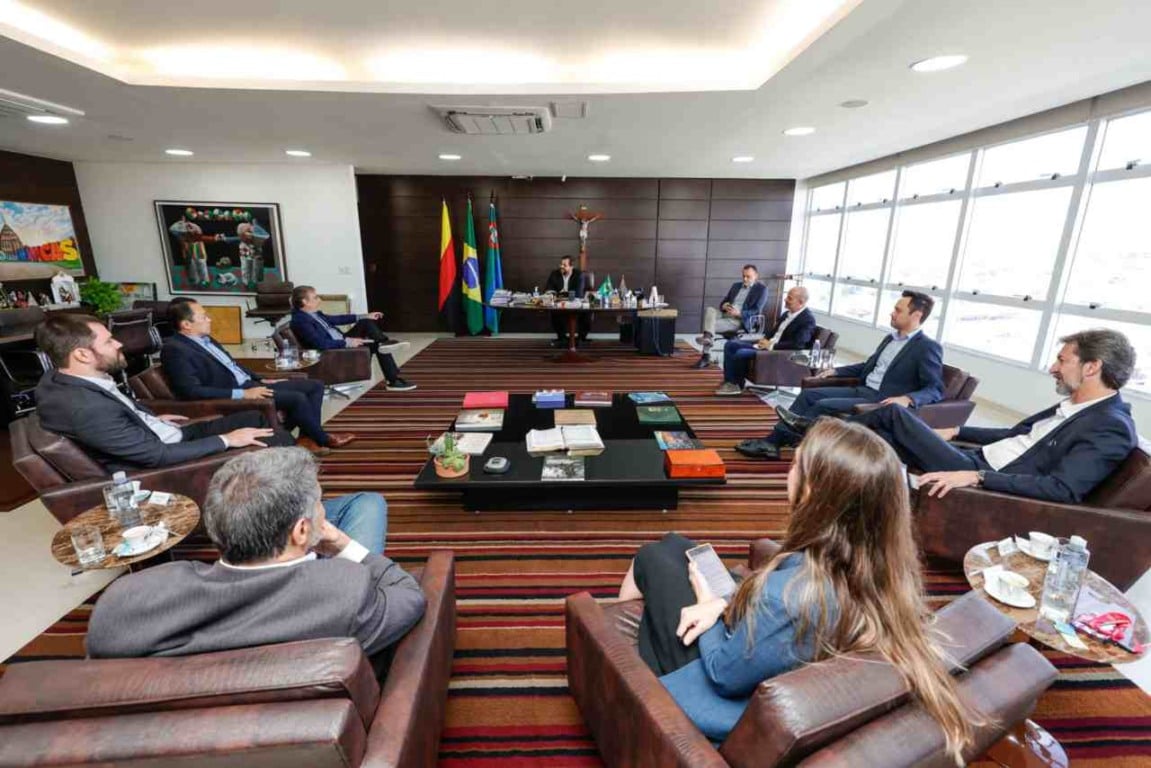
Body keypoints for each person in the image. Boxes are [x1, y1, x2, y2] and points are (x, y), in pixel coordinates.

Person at [617, 420, 981, 760]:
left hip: (722, 688)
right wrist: (723, 602)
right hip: (763, 646)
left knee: (654, 556)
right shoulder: (883, 568)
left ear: (814, 492)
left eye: (796, 466)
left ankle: (623, 665)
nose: (788, 472)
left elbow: (722, 673)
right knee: (677, 545)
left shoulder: (789, 596)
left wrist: (709, 605)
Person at [86, 448, 421, 659]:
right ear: (302, 531)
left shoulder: (123, 603)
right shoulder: (344, 590)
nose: (323, 511)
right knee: (368, 505)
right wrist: (341, 545)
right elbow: (409, 596)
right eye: (320, 503)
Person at [850, 328, 1138, 504]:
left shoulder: (1110, 426)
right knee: (884, 439)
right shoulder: (1075, 405)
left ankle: (817, 436)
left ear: (1091, 367)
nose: (1053, 367)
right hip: (975, 458)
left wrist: (978, 476)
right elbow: (1015, 435)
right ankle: (841, 479)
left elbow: (1061, 489)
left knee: (893, 414)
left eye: (1062, 360)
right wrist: (957, 432)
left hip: (983, 474)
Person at [34, 313, 292, 472]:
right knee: (276, 441)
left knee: (256, 418)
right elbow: (157, 456)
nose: (119, 343)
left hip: (161, 434)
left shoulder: (62, 378)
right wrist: (228, 440)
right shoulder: (87, 408)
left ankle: (288, 478)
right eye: (109, 341)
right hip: (169, 459)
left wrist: (151, 420)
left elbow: (119, 414)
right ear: (81, 354)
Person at [737, 291, 943, 459]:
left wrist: (908, 398)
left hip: (880, 399)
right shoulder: (891, 339)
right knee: (808, 394)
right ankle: (776, 440)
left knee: (822, 405)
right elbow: (867, 366)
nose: (892, 313)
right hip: (862, 389)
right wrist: (836, 370)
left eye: (898, 310)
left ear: (916, 316)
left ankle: (775, 442)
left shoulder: (926, 347)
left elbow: (935, 388)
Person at [160, 298, 356, 456]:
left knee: (314, 385)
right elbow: (191, 390)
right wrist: (243, 394)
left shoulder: (205, 339)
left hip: (249, 384)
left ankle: (307, 439)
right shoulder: (175, 350)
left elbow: (233, 366)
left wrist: (261, 379)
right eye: (203, 317)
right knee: (297, 398)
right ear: (186, 324)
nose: (209, 319)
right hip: (233, 395)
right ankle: (322, 438)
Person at [289, 285, 416, 392]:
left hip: (341, 340)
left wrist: (365, 315)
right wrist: (347, 342)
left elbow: (337, 319)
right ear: (305, 301)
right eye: (315, 297)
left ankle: (385, 347)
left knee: (367, 323)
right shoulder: (301, 321)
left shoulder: (313, 314)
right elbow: (319, 343)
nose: (319, 299)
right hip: (333, 350)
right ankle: (393, 379)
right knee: (380, 346)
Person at [714, 286, 816, 395]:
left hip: (778, 353)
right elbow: (772, 332)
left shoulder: (807, 319)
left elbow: (798, 344)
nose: (785, 300)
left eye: (790, 298)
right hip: (766, 346)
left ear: (801, 302)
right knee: (730, 345)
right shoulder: (786, 314)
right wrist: (764, 339)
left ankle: (737, 384)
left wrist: (771, 345)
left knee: (740, 353)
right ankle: (730, 382)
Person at [692, 265, 769, 368]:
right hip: (727, 313)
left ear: (756, 276)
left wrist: (739, 313)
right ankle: (708, 338)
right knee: (710, 310)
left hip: (740, 320)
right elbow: (724, 302)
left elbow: (756, 311)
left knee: (710, 327)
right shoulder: (736, 286)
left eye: (748, 276)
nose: (745, 279)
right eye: (743, 276)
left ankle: (706, 356)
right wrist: (724, 305)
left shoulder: (762, 290)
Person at [544, 255, 590, 347]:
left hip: (575, 303)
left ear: (571, 267)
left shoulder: (579, 274)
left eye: (564, 265)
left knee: (586, 313)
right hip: (559, 304)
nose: (561, 266)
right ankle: (562, 339)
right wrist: (554, 295)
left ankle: (581, 339)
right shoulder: (554, 274)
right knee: (554, 311)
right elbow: (548, 289)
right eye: (561, 264)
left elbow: (578, 294)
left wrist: (561, 295)